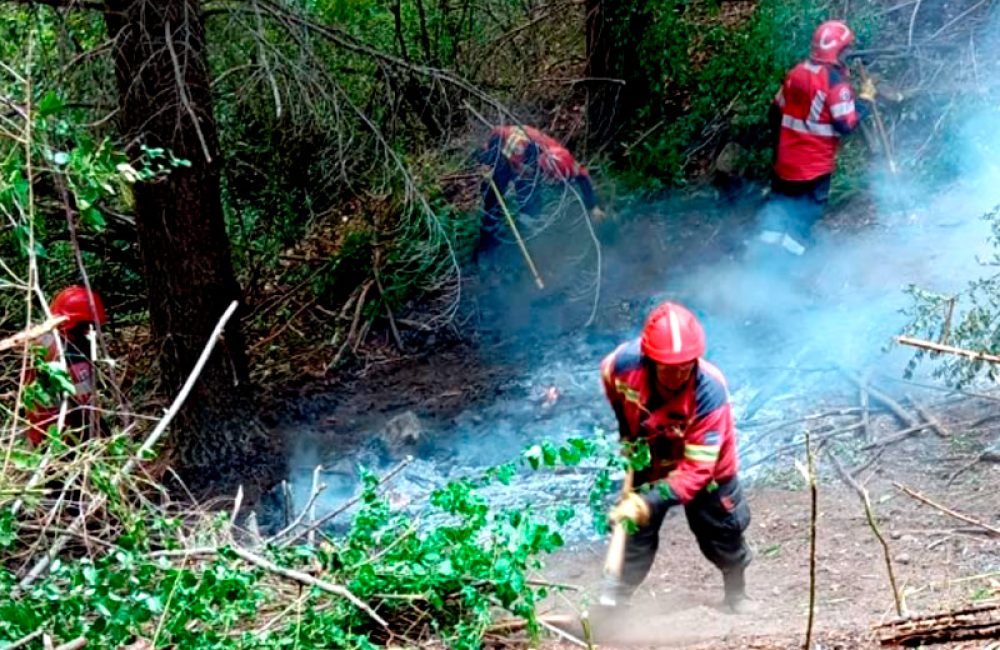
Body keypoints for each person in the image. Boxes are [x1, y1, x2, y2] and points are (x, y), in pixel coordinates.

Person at [599, 302, 752, 612]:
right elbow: (612, 387)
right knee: (633, 531)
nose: (678, 374)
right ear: (649, 359)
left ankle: (737, 595)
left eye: (685, 365)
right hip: (652, 455)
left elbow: (696, 472)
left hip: (707, 473)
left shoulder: (710, 392)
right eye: (668, 367)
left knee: (722, 531)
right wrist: (628, 435)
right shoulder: (622, 366)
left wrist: (646, 502)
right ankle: (616, 602)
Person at [760, 20, 876, 256]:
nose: (848, 54)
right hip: (814, 168)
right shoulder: (835, 84)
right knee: (803, 218)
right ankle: (787, 265)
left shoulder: (796, 72)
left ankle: (763, 255)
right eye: (845, 49)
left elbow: (775, 113)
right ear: (836, 51)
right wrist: (865, 99)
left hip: (785, 162)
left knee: (778, 210)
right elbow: (846, 124)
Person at [475, 125, 605, 253]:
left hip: (528, 164)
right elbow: (500, 139)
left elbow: (582, 176)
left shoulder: (563, 159)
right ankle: (489, 238)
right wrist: (495, 165)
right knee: (498, 190)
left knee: (531, 203)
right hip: (501, 150)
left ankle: (526, 236)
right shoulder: (519, 145)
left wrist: (592, 207)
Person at [23, 286, 106, 446]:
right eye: (87, 325)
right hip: (66, 435)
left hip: (39, 428)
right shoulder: (71, 354)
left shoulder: (39, 340)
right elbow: (87, 402)